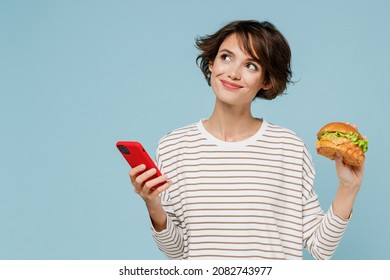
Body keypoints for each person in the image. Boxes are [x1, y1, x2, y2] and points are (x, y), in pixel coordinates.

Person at [129, 20, 364, 259]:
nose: (233, 73)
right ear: (211, 63)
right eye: (226, 57)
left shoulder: (288, 147)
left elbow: (320, 248)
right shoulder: (174, 147)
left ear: (266, 81)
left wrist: (348, 187)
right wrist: (153, 205)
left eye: (250, 65)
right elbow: (178, 253)